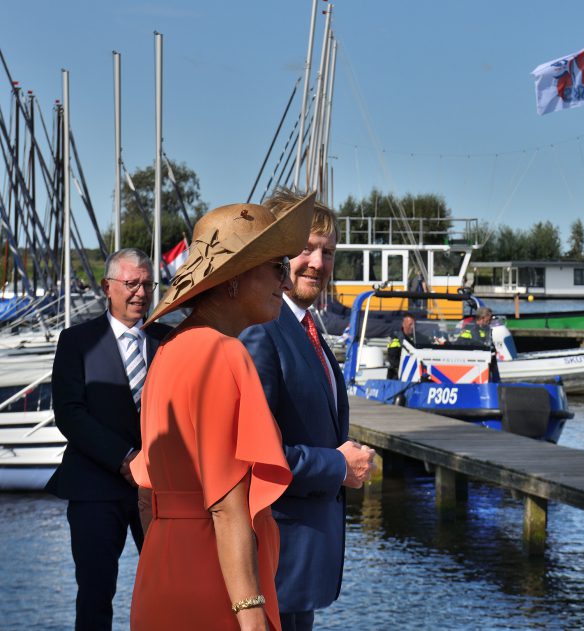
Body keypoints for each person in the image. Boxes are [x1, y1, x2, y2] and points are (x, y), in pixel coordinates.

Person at [128, 195, 316, 631]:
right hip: (217, 585)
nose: (285, 282)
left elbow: (144, 494)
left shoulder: (169, 351)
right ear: (232, 279)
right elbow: (227, 507)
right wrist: (251, 616)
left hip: (161, 572)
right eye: (275, 267)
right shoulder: (223, 353)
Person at [240, 189, 376, 631]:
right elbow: (256, 455)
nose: (318, 262)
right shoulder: (262, 331)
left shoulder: (306, 326)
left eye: (328, 252)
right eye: (306, 249)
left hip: (302, 564)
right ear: (276, 255)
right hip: (278, 555)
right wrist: (338, 465)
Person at [47, 248, 172, 631]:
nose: (140, 292)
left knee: (169, 591)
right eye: (131, 283)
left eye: (147, 284)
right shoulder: (76, 341)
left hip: (159, 491)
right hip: (94, 490)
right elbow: (69, 413)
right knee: (95, 596)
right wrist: (124, 458)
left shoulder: (169, 342)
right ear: (107, 287)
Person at [387, 313, 421, 379]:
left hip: (416, 373)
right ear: (403, 324)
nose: (412, 327)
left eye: (414, 324)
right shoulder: (395, 338)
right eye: (410, 324)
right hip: (398, 375)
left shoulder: (418, 337)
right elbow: (393, 360)